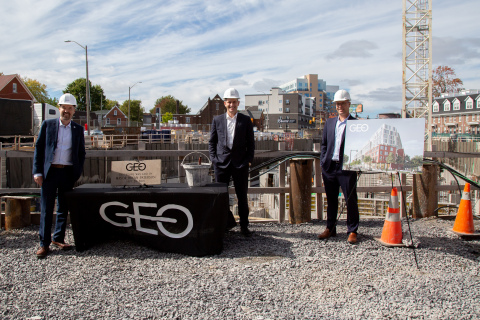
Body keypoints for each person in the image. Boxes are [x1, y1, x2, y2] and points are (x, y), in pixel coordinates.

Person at [33, 93, 86, 258]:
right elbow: (39, 149)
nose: (66, 111)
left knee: (63, 208)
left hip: (67, 173)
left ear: (74, 110)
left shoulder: (77, 130)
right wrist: (37, 172)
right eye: (64, 107)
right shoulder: (48, 125)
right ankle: (44, 244)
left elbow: (81, 153)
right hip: (50, 173)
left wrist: (76, 173)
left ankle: (58, 238)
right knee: (47, 208)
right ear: (59, 108)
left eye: (70, 108)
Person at [209, 88, 255, 237]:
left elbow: (251, 143)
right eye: (229, 102)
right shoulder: (217, 120)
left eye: (234, 102)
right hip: (221, 164)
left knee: (242, 196)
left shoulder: (245, 120)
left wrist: (248, 161)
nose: (231, 105)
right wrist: (214, 159)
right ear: (225, 103)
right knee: (221, 196)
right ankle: (223, 225)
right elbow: (212, 142)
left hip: (240, 164)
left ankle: (244, 226)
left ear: (238, 103)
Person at [317, 89, 360, 244]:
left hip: (346, 168)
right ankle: (330, 228)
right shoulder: (329, 123)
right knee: (331, 200)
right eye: (337, 104)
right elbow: (324, 144)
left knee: (350, 200)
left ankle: (352, 230)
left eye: (342, 103)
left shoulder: (356, 124)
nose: (340, 106)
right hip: (329, 167)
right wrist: (323, 162)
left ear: (349, 104)